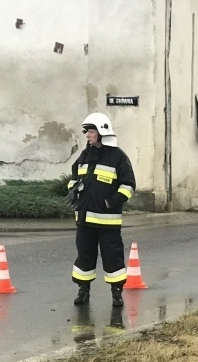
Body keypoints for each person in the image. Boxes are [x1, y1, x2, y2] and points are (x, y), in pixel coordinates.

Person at [67, 112, 135, 307]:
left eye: (90, 131)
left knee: (112, 257)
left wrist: (110, 202)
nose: (87, 135)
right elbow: (73, 177)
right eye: (87, 132)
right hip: (84, 219)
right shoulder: (85, 155)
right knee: (84, 256)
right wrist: (73, 190)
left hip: (107, 221)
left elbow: (129, 185)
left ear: (102, 132)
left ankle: (116, 293)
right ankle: (83, 291)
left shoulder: (118, 157)